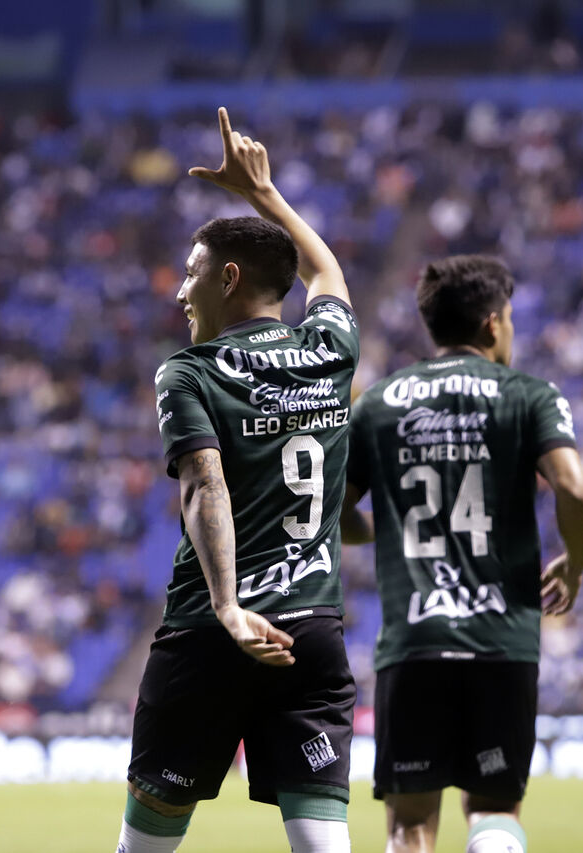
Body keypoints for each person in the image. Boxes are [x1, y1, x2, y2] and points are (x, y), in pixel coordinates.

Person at [116, 107, 359, 853]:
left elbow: (204, 486)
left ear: (228, 277)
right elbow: (327, 274)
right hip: (312, 631)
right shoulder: (330, 350)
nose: (180, 293)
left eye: (191, 274)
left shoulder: (190, 371)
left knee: (148, 842)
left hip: (210, 634)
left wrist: (227, 606)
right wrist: (265, 194)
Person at [339, 255, 583, 853]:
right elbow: (575, 489)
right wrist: (575, 563)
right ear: (492, 323)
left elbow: (331, 512)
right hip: (501, 643)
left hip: (415, 641)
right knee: (493, 810)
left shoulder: (380, 401)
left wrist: (385, 528)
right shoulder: (529, 395)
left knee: (409, 826)